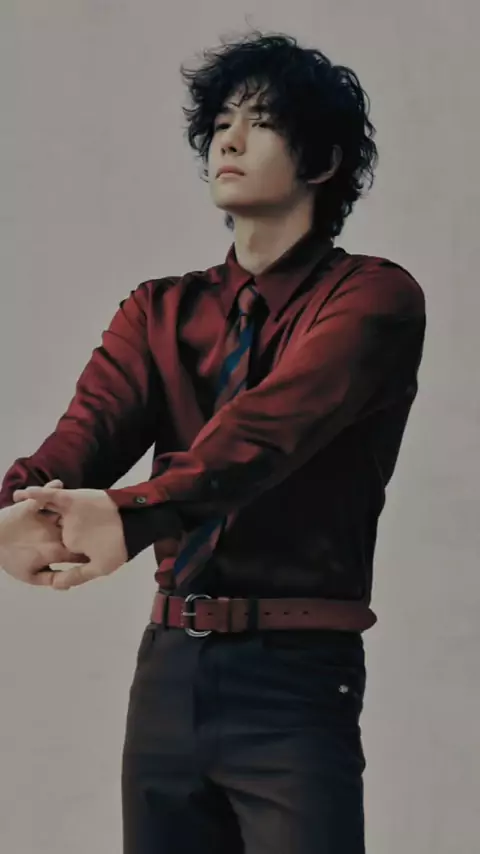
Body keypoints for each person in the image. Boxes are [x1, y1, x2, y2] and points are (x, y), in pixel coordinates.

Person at [0, 29, 426, 854]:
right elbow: (83, 436)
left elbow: (264, 434)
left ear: (323, 160)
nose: (228, 140)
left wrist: (130, 515)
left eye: (261, 122)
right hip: (168, 670)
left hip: (296, 676)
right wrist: (18, 506)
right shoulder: (158, 310)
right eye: (221, 122)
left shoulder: (374, 297)